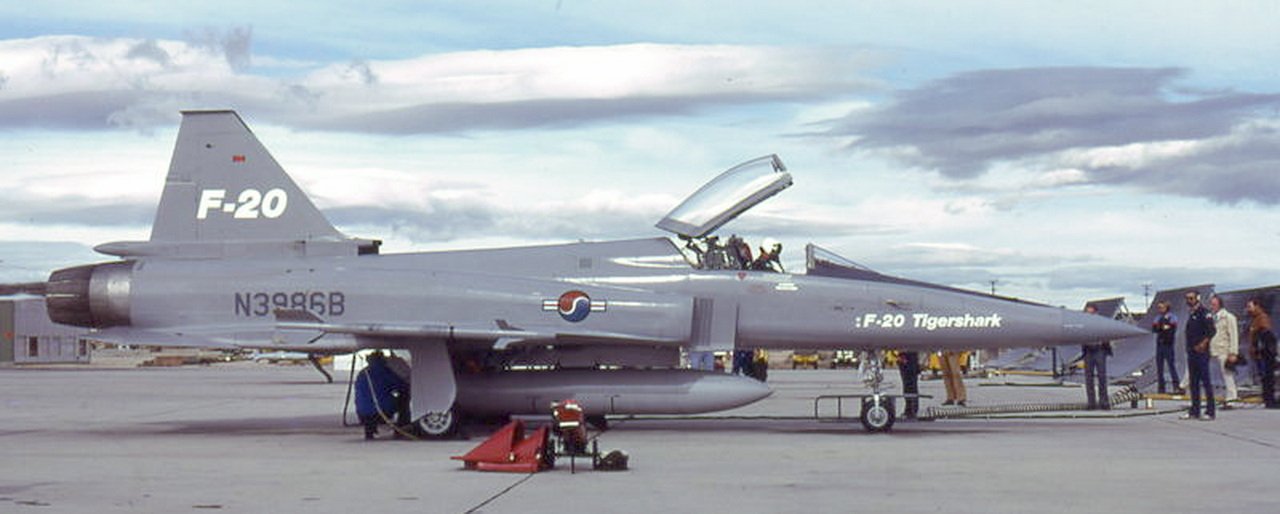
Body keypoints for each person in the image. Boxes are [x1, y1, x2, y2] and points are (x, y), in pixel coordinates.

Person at [354, 351, 410, 439]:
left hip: (362, 414)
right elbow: (400, 385)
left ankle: (370, 430)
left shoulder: (362, 373)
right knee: (404, 398)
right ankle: (402, 426)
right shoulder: (384, 372)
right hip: (381, 411)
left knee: (368, 403)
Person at [1181, 291, 1216, 421]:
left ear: (1197, 299)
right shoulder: (1191, 314)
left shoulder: (1204, 313)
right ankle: (1195, 410)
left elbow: (1212, 330)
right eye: (1187, 298)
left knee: (1206, 382)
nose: (1188, 301)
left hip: (1201, 352)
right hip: (1191, 352)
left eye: (1191, 298)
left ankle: (1210, 411)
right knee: (1193, 382)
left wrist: (1203, 344)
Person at [1208, 294, 1240, 406]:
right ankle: (1184, 386)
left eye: (1214, 304)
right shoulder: (1211, 318)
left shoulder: (1229, 317)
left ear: (1219, 304)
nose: (1211, 306)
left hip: (1224, 349)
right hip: (1212, 348)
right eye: (1211, 304)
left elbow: (1234, 335)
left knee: (1227, 375)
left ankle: (1232, 398)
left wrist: (1233, 352)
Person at [1246, 297, 1278, 408]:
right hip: (1260, 353)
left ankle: (1270, 400)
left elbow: (1266, 334)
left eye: (1250, 307)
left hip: (1265, 354)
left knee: (1268, 377)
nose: (1248, 309)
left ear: (1257, 306)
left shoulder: (1262, 318)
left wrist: (1258, 348)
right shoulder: (1255, 319)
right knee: (1264, 377)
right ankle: (1268, 399)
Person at [1081, 304, 1113, 410]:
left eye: (1091, 312)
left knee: (1102, 377)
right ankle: (1091, 403)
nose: (1089, 315)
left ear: (1095, 312)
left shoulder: (1101, 322)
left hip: (1100, 350)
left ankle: (1104, 402)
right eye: (1087, 313)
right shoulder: (1083, 324)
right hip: (1088, 351)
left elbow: (1107, 334)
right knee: (1088, 378)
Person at [1150, 300, 1182, 394]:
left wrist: (1163, 327)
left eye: (1161, 307)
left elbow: (1171, 329)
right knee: (1159, 367)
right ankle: (1161, 387)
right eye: (1159, 308)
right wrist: (1163, 327)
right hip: (1160, 344)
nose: (1160, 309)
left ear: (1166, 307)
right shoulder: (1157, 318)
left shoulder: (1172, 317)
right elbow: (1154, 329)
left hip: (1168, 344)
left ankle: (1176, 386)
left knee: (1171, 365)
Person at [898, 350, 921, 419]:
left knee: (910, 386)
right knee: (907, 386)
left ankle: (912, 410)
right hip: (905, 356)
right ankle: (909, 409)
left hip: (909, 357)